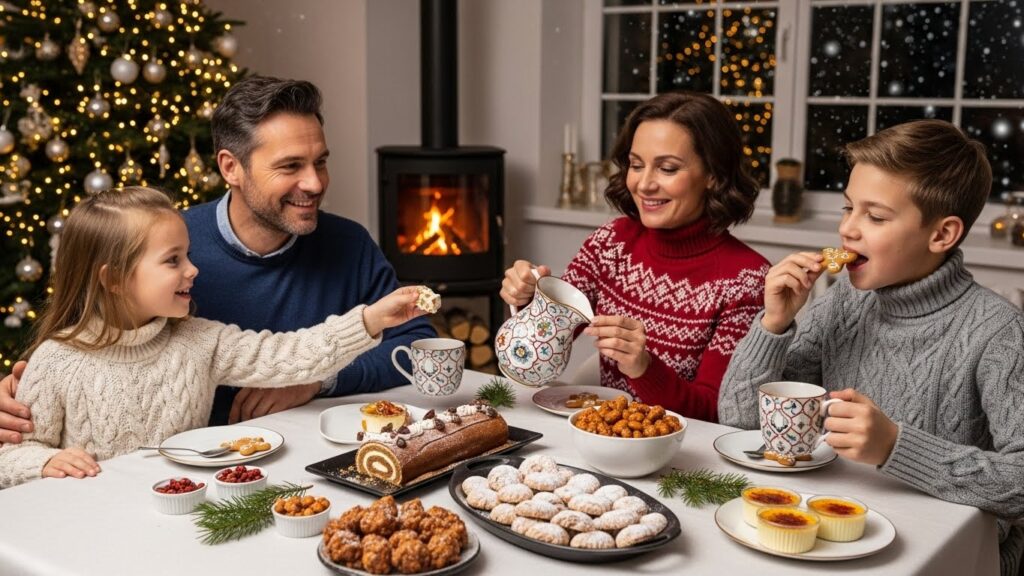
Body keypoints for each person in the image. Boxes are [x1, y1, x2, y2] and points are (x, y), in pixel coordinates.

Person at [0, 76, 435, 442]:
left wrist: (318, 380)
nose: (315, 182)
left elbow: (418, 346)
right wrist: (17, 398)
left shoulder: (348, 243)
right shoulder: (164, 249)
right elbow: (83, 345)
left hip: (307, 450)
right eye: (290, 167)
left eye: (320, 162)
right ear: (231, 168)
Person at [717, 120, 1024, 575]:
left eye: (875, 217)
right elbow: (743, 423)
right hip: (832, 529)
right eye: (847, 209)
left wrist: (896, 446)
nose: (848, 231)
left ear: (942, 235)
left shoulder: (999, 331)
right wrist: (774, 325)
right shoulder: (844, 300)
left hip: (947, 550)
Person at [0, 187, 429, 488]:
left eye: (188, 254)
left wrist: (371, 319)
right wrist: (46, 460)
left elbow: (293, 354)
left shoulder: (201, 341)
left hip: (188, 513)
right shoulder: (57, 360)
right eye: (173, 261)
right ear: (113, 279)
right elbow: (12, 453)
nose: (193, 269)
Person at [502, 92, 769, 423]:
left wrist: (644, 367)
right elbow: (542, 347)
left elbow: (716, 412)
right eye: (636, 164)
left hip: (684, 460)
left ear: (713, 175)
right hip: (603, 438)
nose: (643, 184)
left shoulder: (747, 280)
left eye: (667, 168)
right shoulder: (611, 242)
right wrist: (529, 300)